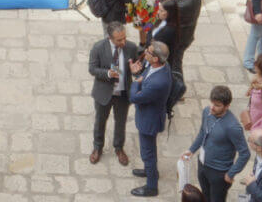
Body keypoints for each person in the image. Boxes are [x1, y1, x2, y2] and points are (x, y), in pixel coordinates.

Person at [182, 86, 250, 202]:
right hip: (202, 165)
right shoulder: (207, 112)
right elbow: (203, 132)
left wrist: (231, 173)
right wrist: (191, 150)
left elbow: (245, 153)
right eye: (212, 103)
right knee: (205, 197)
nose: (212, 107)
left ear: (227, 106)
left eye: (217, 105)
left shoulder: (233, 127)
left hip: (219, 172)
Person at [89, 21, 137, 167]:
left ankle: (119, 147)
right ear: (110, 38)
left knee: (121, 122)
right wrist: (108, 73)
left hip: (122, 93)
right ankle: (98, 147)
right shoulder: (98, 47)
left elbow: (136, 67)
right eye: (119, 40)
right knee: (100, 121)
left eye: (124, 38)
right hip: (104, 92)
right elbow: (92, 69)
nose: (123, 42)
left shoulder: (131, 47)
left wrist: (136, 71)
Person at [129, 41, 172, 198]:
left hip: (149, 120)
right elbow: (144, 75)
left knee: (148, 153)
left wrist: (136, 81)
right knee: (148, 150)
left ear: (155, 59)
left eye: (148, 52)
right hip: (150, 115)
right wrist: (139, 75)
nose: (145, 52)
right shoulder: (159, 66)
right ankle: (149, 170)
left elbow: (134, 97)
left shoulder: (158, 83)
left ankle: (152, 186)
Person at [163, 0, 202, 74]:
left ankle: (176, 80)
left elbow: (164, 8)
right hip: (185, 36)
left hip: (178, 40)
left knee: (175, 63)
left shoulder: (183, 4)